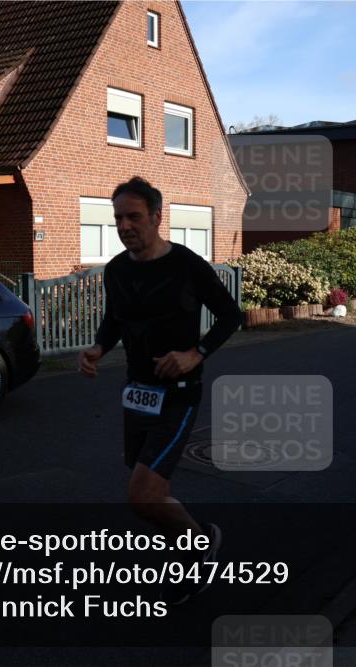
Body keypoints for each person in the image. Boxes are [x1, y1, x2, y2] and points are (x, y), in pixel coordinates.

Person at [77, 177, 241, 605]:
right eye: (118, 218)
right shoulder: (116, 270)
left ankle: (202, 552)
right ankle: (195, 538)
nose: (125, 226)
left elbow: (229, 315)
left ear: (156, 217)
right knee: (153, 490)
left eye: (134, 216)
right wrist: (98, 346)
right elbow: (115, 320)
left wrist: (196, 353)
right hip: (137, 393)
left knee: (143, 494)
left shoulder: (186, 264)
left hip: (179, 393)